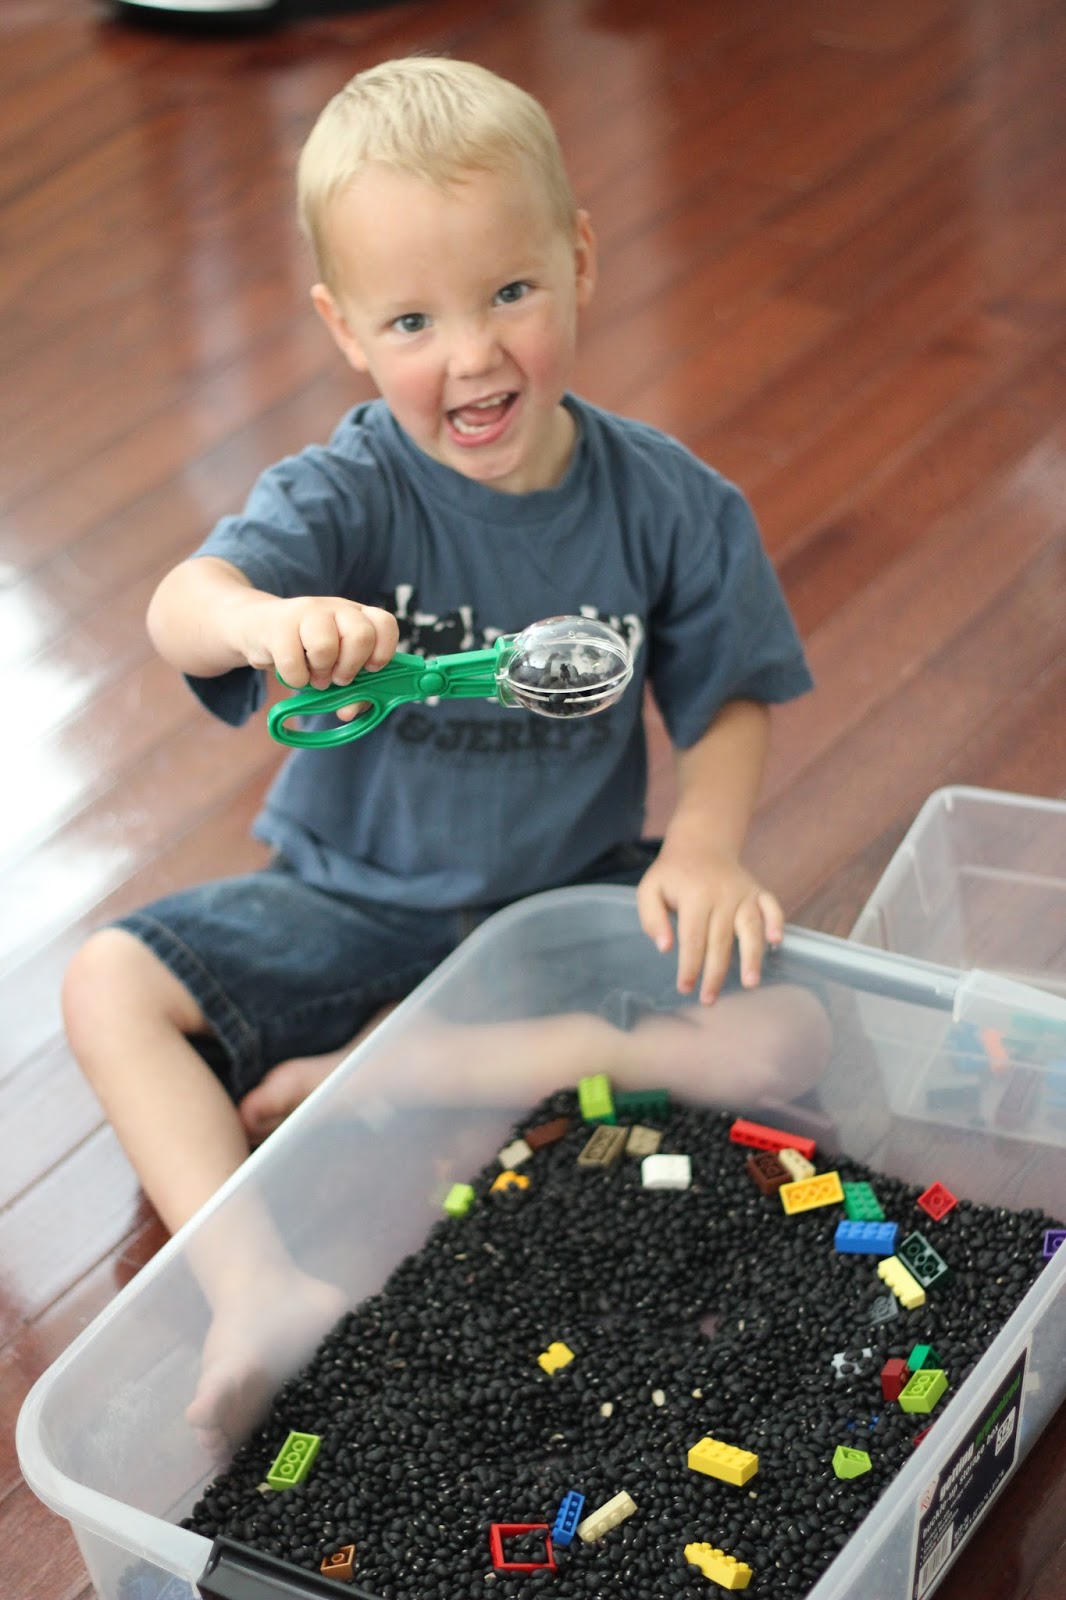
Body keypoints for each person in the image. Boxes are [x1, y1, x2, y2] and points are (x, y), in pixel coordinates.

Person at [62, 57, 822, 1285]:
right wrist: (262, 620)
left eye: (509, 291)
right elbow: (180, 608)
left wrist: (703, 848)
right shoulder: (346, 491)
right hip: (352, 903)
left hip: (567, 901)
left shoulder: (673, 504)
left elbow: (728, 686)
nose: (471, 354)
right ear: (345, 329)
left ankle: (408, 1063)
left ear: (579, 259)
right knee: (107, 985)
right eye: (412, 322)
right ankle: (251, 1281)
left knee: (792, 1028)